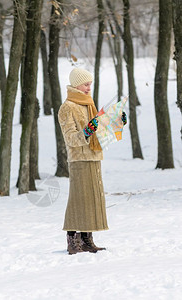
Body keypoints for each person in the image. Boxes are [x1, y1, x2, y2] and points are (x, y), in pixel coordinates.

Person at [58, 68, 126, 255]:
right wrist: (87, 131)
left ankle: (87, 240)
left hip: (94, 156)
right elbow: (70, 138)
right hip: (79, 159)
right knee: (78, 199)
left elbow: (99, 130)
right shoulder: (67, 107)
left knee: (92, 200)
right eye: (86, 84)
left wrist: (117, 122)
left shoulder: (89, 104)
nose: (89, 88)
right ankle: (73, 240)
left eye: (90, 84)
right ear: (76, 84)